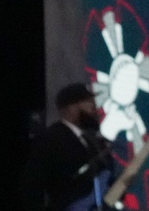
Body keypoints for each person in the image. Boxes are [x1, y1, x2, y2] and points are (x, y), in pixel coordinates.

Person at [22, 83, 114, 211]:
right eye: (88, 101)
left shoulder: (94, 139)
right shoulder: (51, 138)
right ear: (71, 108)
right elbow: (33, 185)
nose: (94, 106)